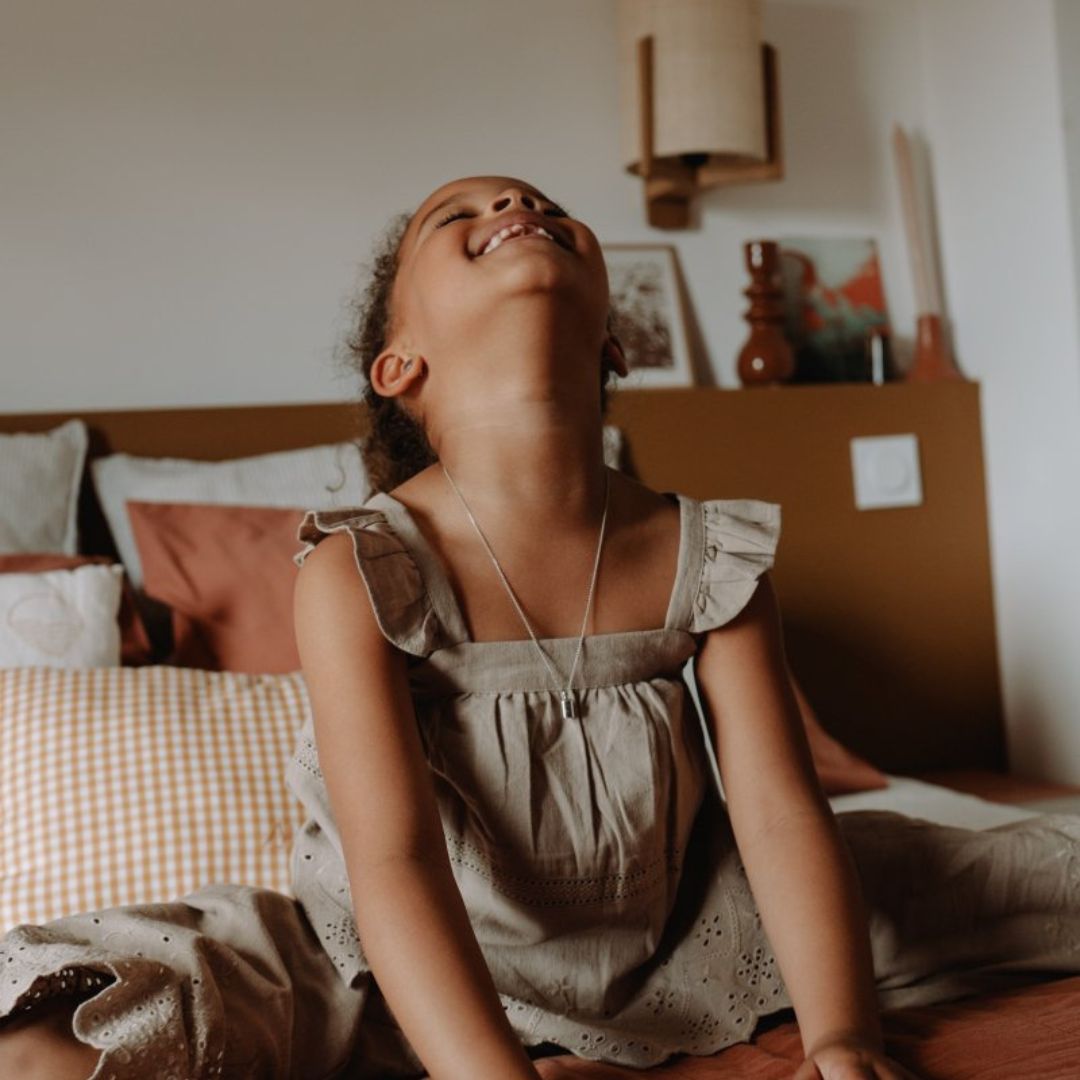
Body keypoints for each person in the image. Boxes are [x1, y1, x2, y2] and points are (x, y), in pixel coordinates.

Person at [2, 175, 1079, 1080]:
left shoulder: (707, 552)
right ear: (399, 365)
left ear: (614, 344)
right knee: (68, 1027)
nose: (514, 198)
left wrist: (844, 1035)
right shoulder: (359, 566)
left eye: (539, 198)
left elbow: (784, 815)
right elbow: (395, 864)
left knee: (1019, 875)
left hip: (693, 931)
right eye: (454, 213)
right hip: (393, 965)